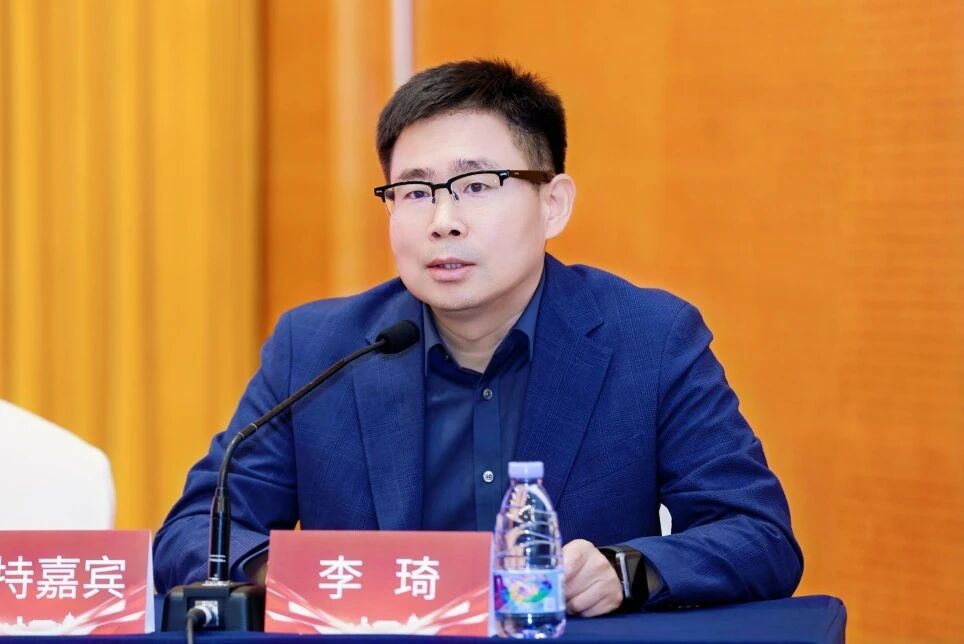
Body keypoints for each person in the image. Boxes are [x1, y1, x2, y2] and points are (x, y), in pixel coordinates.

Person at [154, 59, 802, 615]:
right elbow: (192, 531)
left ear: (553, 204)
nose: (443, 220)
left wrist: (626, 571)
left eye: (475, 186)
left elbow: (758, 535)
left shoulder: (650, 340)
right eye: (414, 192)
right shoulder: (319, 347)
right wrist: (296, 577)